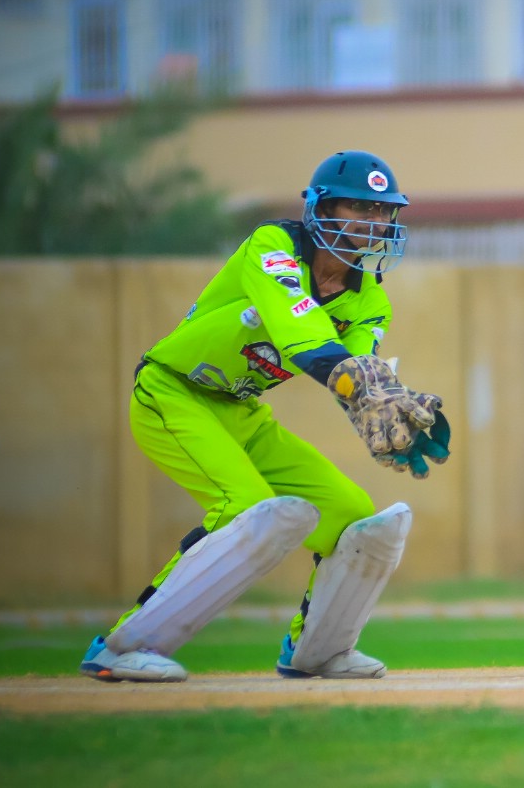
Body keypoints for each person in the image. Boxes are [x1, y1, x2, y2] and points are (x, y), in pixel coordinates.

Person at [79, 150, 451, 683]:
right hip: (172, 391)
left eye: (381, 210)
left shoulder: (369, 301)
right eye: (358, 207)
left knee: (354, 517)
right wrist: (359, 383)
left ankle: (317, 650)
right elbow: (303, 339)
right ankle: (124, 645)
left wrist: (389, 411)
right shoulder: (273, 246)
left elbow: (358, 378)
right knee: (248, 507)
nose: (373, 221)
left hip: (241, 409)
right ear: (320, 209)